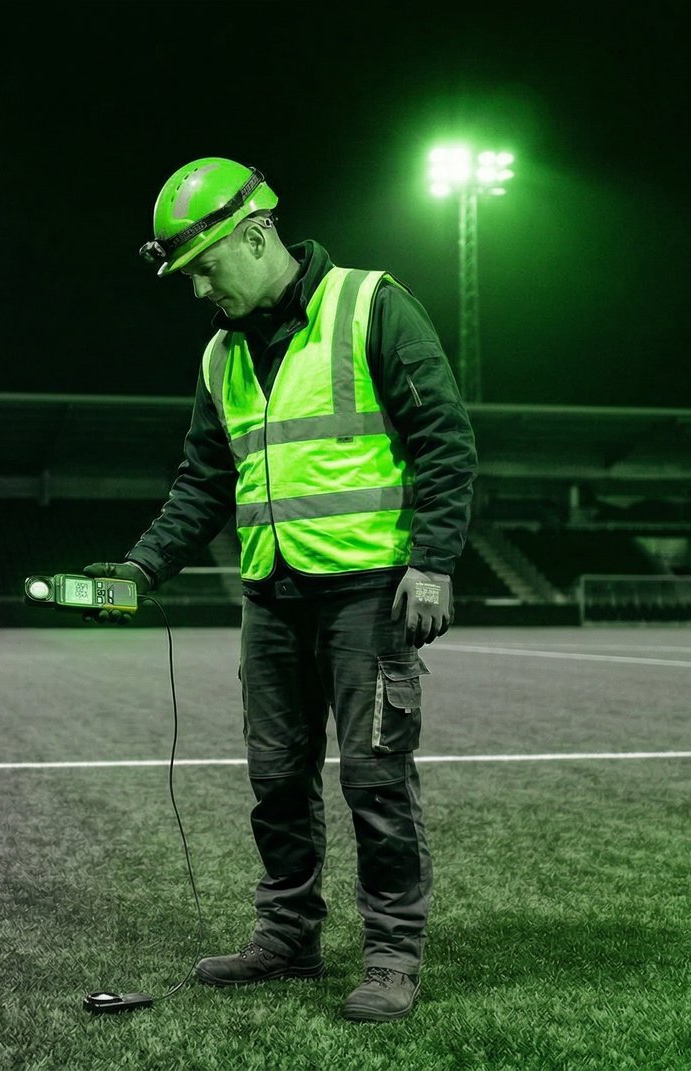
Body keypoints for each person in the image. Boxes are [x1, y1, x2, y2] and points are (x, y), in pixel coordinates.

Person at [81, 157, 477, 1023]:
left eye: (203, 269)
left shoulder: (371, 304)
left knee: (375, 780)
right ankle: (289, 935)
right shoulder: (221, 355)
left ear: (255, 234)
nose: (197, 291)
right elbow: (201, 485)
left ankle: (392, 953)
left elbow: (444, 438)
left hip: (370, 596)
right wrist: (140, 567)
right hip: (271, 599)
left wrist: (434, 559)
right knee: (276, 779)